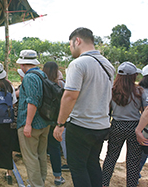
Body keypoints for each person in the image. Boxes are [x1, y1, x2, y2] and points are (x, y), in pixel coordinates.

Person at [53, 27, 115, 187]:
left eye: (70, 45)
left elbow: (70, 96)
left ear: (77, 41)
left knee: (78, 168)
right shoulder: (108, 65)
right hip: (101, 126)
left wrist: (60, 124)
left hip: (81, 126)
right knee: (92, 164)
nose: (70, 48)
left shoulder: (78, 64)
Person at [102, 62, 147, 187]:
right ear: (133, 76)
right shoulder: (139, 91)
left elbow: (107, 110)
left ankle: (104, 183)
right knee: (133, 161)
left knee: (111, 157)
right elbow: (144, 112)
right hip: (134, 127)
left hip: (117, 126)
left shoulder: (112, 90)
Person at [16, 50, 49, 187]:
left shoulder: (29, 77)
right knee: (41, 155)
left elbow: (32, 101)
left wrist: (28, 124)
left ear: (23, 65)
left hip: (31, 123)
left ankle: (36, 184)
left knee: (30, 158)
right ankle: (40, 181)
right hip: (44, 122)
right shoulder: (42, 74)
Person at [42, 61, 66, 186]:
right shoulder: (61, 84)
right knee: (55, 148)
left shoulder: (41, 83)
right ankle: (57, 177)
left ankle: (39, 177)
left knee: (39, 149)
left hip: (42, 120)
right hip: (57, 121)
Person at [138, 65, 148, 179]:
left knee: (142, 153)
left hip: (145, 127)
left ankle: (135, 176)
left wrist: (138, 129)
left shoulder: (141, 89)